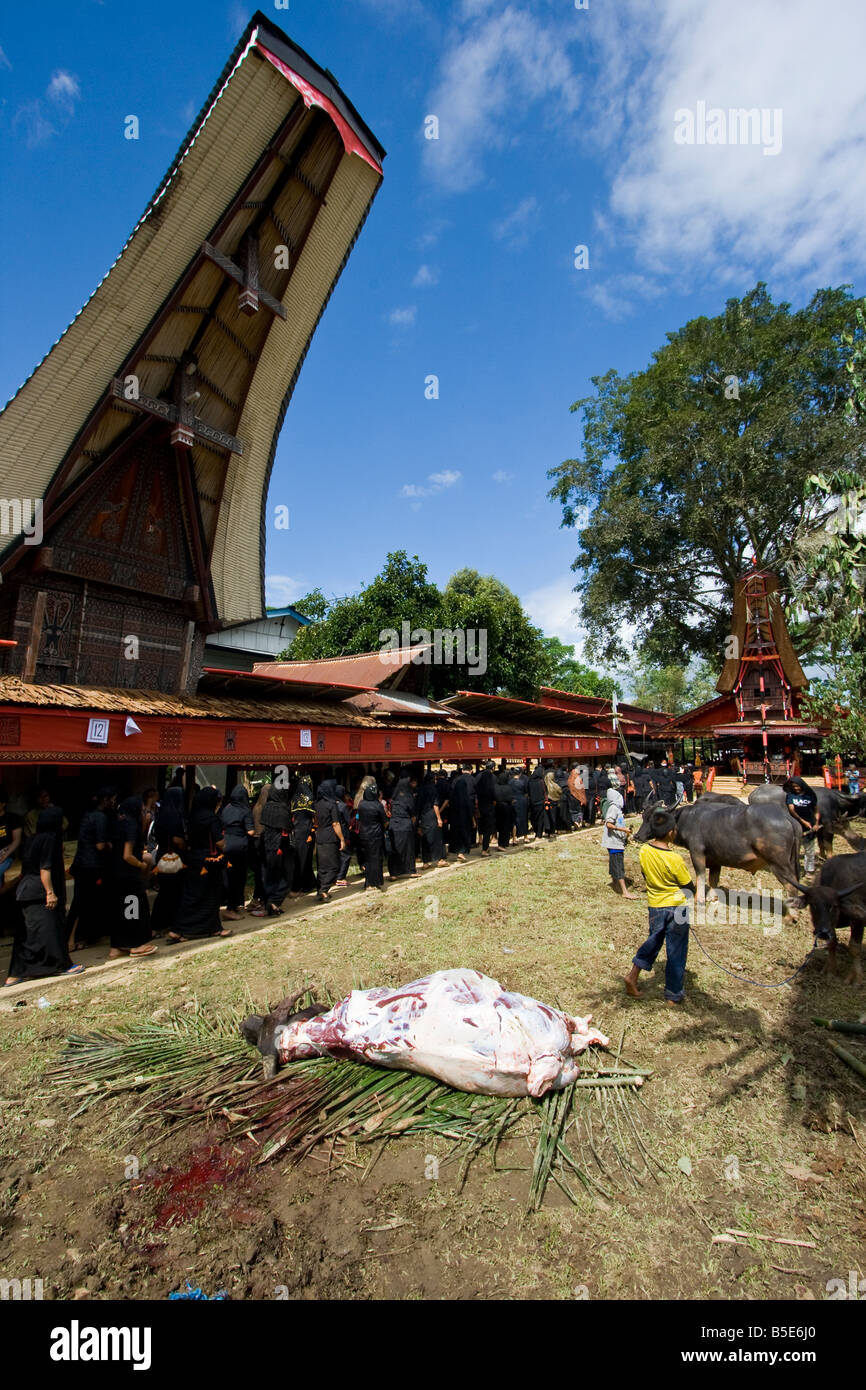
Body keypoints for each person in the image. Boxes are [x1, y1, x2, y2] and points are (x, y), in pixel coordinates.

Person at [5, 807, 84, 984]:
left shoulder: (32, 839)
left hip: (26, 890)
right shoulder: (50, 839)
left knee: (27, 934)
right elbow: (44, 868)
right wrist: (50, 893)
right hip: (40, 891)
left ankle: (15, 974)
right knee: (51, 931)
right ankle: (60, 965)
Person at [624, 808, 693, 1005]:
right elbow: (687, 885)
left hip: (655, 905)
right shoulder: (675, 859)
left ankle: (632, 976)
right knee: (676, 950)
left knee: (653, 941)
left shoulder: (644, 850)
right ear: (671, 832)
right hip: (677, 907)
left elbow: (646, 875)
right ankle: (673, 994)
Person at [171, 788, 230, 941]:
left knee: (192, 894)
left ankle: (180, 929)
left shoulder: (193, 816)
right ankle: (213, 928)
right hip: (210, 861)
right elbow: (220, 842)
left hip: (194, 858)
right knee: (211, 894)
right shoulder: (211, 818)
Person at [109, 795, 158, 958]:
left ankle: (117, 945)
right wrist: (141, 865)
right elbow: (127, 855)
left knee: (119, 909)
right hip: (129, 875)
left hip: (116, 873)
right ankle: (135, 944)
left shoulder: (119, 824)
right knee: (133, 909)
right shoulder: (131, 826)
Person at [149, 786, 187, 937]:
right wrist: (186, 846)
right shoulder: (173, 815)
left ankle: (160, 925)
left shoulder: (161, 814)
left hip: (162, 856)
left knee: (166, 892)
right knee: (171, 892)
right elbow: (177, 840)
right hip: (173, 858)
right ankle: (160, 924)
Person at [220, 784, 255, 920]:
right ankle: (231, 908)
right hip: (239, 848)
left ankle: (232, 904)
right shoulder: (244, 810)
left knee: (228, 877)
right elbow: (250, 831)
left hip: (225, 845)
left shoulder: (226, 808)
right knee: (238, 878)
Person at [258, 783, 293, 916]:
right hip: (280, 848)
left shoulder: (266, 807)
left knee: (271, 877)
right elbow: (287, 828)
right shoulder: (282, 808)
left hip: (268, 846)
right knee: (286, 877)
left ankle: (271, 903)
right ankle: (274, 902)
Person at [601, 788, 637, 898]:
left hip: (618, 841)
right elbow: (609, 824)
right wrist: (624, 830)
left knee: (615, 864)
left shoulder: (617, 809)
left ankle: (616, 884)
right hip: (614, 843)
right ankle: (624, 892)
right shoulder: (613, 808)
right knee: (619, 866)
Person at [314, 778, 346, 901]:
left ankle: (319, 890)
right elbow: (335, 824)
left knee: (322, 867)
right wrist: (342, 839)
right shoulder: (332, 804)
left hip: (320, 836)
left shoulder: (316, 804)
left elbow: (315, 821)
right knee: (334, 866)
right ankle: (324, 889)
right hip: (330, 837)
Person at [783, 776, 821, 875]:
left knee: (809, 850)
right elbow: (792, 810)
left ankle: (809, 870)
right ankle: (794, 870)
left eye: (797, 786)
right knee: (795, 850)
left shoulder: (810, 795)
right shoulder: (790, 795)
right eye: (794, 786)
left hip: (810, 826)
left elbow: (816, 809)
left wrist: (816, 823)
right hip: (796, 825)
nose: (796, 788)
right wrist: (803, 821)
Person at [358, 782, 387, 890]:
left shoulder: (361, 804)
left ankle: (368, 882)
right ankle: (375, 882)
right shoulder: (377, 805)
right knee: (376, 859)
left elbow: (358, 817)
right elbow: (385, 821)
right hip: (375, 836)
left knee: (367, 859)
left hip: (363, 835)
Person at [388, 774, 418, 878]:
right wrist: (413, 825)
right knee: (408, 849)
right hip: (405, 825)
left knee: (395, 849)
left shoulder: (394, 798)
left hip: (393, 825)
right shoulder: (408, 797)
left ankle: (394, 873)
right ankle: (411, 871)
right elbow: (413, 814)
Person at [290, 775, 316, 896]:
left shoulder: (294, 798)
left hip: (296, 831)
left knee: (300, 859)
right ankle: (301, 886)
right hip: (307, 832)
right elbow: (313, 817)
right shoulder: (310, 797)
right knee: (305, 859)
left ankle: (307, 884)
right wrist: (312, 831)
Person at [418, 771, 447, 866]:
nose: (436, 781)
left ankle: (426, 862)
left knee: (425, 838)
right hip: (431, 815)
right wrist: (439, 818)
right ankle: (439, 860)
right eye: (435, 779)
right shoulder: (433, 789)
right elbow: (435, 805)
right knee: (436, 838)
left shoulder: (421, 789)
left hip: (423, 815)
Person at [449, 765, 476, 860]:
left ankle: (456, 851)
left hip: (455, 818)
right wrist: (473, 820)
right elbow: (470, 809)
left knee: (456, 834)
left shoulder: (456, 782)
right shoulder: (473, 780)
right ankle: (462, 851)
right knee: (465, 833)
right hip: (465, 818)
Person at [0, 785, 23, 888]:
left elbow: (17, 840)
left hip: (6, 855)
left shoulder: (12, 818)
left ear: (3, 804)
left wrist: (4, 855)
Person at [474, 763, 497, 855]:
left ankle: (480, 841)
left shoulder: (479, 779)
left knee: (481, 826)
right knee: (488, 829)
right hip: (489, 807)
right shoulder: (492, 781)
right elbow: (494, 794)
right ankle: (485, 849)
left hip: (480, 807)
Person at [335, 784, 355, 886]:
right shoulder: (343, 806)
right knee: (346, 854)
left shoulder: (332, 804)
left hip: (333, 832)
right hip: (343, 832)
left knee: (337, 854)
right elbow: (348, 821)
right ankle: (340, 877)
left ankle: (335, 876)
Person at [493, 771, 516, 849]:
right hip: (506, 808)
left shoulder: (495, 787)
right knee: (505, 827)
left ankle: (497, 840)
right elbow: (511, 799)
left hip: (497, 807)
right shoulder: (508, 787)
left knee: (499, 825)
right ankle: (502, 844)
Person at [510, 768, 529, 840]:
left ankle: (514, 838)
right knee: (524, 818)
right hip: (522, 801)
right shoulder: (522, 782)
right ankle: (525, 836)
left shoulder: (509, 782)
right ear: (520, 773)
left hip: (513, 801)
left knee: (514, 820)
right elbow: (526, 793)